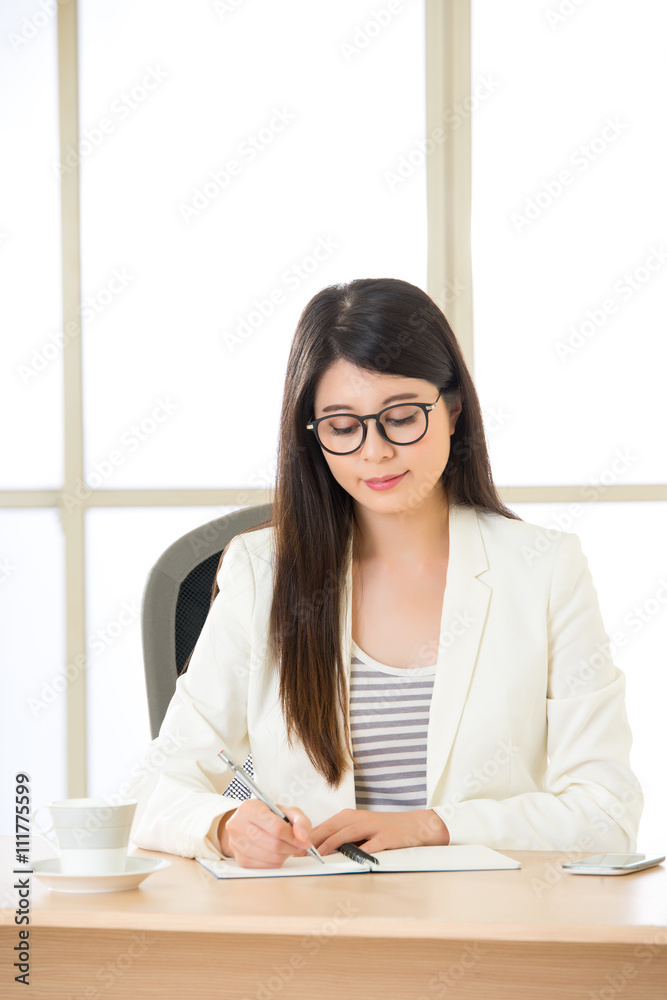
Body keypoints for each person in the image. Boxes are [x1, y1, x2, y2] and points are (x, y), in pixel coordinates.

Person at [127, 277, 643, 867]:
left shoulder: (545, 570)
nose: (374, 452)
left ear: (452, 409)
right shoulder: (262, 572)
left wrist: (434, 827)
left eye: (401, 417)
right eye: (343, 427)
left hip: (482, 930)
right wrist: (222, 825)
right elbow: (157, 790)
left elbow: (606, 814)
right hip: (306, 929)